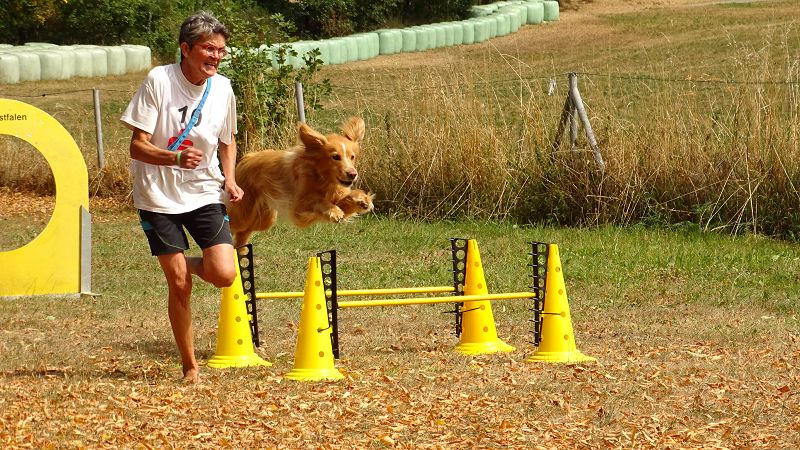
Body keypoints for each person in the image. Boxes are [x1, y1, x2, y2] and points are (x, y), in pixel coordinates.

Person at [120, 11, 243, 383]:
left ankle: (174, 261)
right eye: (209, 49)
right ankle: (190, 366)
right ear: (186, 48)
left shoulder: (222, 88)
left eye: (221, 50)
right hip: (157, 195)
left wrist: (230, 179)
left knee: (224, 273)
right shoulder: (159, 80)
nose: (216, 56)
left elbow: (228, 140)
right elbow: (136, 147)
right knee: (179, 284)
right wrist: (173, 157)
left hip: (204, 190)